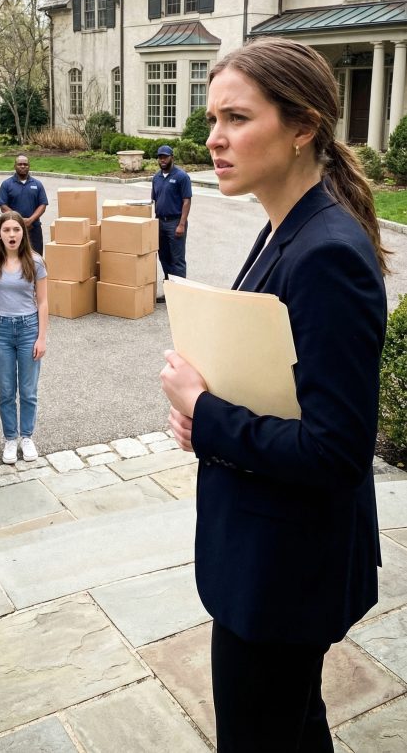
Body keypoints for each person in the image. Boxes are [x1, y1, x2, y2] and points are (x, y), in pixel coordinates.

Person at [160, 38, 388, 753]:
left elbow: (336, 450)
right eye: (211, 118)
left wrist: (205, 412)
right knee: (293, 726)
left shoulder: (324, 254)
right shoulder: (285, 227)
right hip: (269, 556)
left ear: (302, 128)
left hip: (285, 571)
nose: (213, 139)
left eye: (235, 117)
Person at [0, 211, 48, 463]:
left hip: (28, 328)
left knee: (28, 390)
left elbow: (43, 302)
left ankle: (27, 436)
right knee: (5, 391)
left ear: (23, 233)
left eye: (16, 230)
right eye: (6, 230)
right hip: (0, 329)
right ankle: (10, 439)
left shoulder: (35, 261)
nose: (12, 235)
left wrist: (42, 337)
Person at [151, 144, 192, 300]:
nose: (162, 160)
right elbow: (155, 200)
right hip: (160, 222)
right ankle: (169, 292)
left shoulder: (181, 177)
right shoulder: (156, 177)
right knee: (164, 257)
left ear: (172, 158)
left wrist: (181, 224)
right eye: (160, 157)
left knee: (177, 259)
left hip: (175, 222)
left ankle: (180, 295)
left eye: (165, 157)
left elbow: (186, 201)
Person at [0, 154, 48, 255]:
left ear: (29, 166)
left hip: (34, 229)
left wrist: (30, 220)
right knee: (16, 256)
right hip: (13, 230)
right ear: (15, 166)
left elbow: (43, 205)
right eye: (20, 164)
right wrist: (19, 220)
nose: (23, 166)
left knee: (36, 257)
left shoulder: (37, 184)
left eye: (25, 164)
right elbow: (3, 206)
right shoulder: (6, 184)